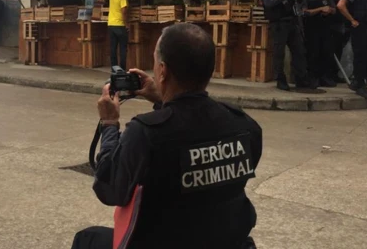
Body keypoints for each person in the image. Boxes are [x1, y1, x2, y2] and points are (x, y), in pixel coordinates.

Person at [71, 23, 262, 249]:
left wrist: (110, 124)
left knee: (87, 239)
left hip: (163, 241)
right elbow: (191, 125)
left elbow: (109, 188)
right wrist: (161, 99)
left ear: (162, 71)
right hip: (225, 241)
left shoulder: (146, 134)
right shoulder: (244, 126)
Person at [261, 0, 316, 91]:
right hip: (278, 23)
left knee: (299, 51)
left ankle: (301, 79)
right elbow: (268, 3)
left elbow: (297, 3)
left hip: (291, 22)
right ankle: (280, 80)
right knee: (279, 53)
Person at [302, 0, 337, 87]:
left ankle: (325, 77)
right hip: (311, 29)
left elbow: (334, 9)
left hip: (326, 28)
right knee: (313, 54)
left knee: (326, 52)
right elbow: (305, 12)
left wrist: (329, 10)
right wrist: (320, 9)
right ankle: (313, 78)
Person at [327, 0, 349, 83]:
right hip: (330, 29)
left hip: (340, 29)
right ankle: (329, 75)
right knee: (330, 54)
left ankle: (334, 75)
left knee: (338, 52)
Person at [108, 0, 129, 71]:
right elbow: (124, 11)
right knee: (123, 49)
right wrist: (126, 23)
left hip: (111, 24)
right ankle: (122, 69)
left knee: (113, 48)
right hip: (120, 25)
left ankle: (114, 69)